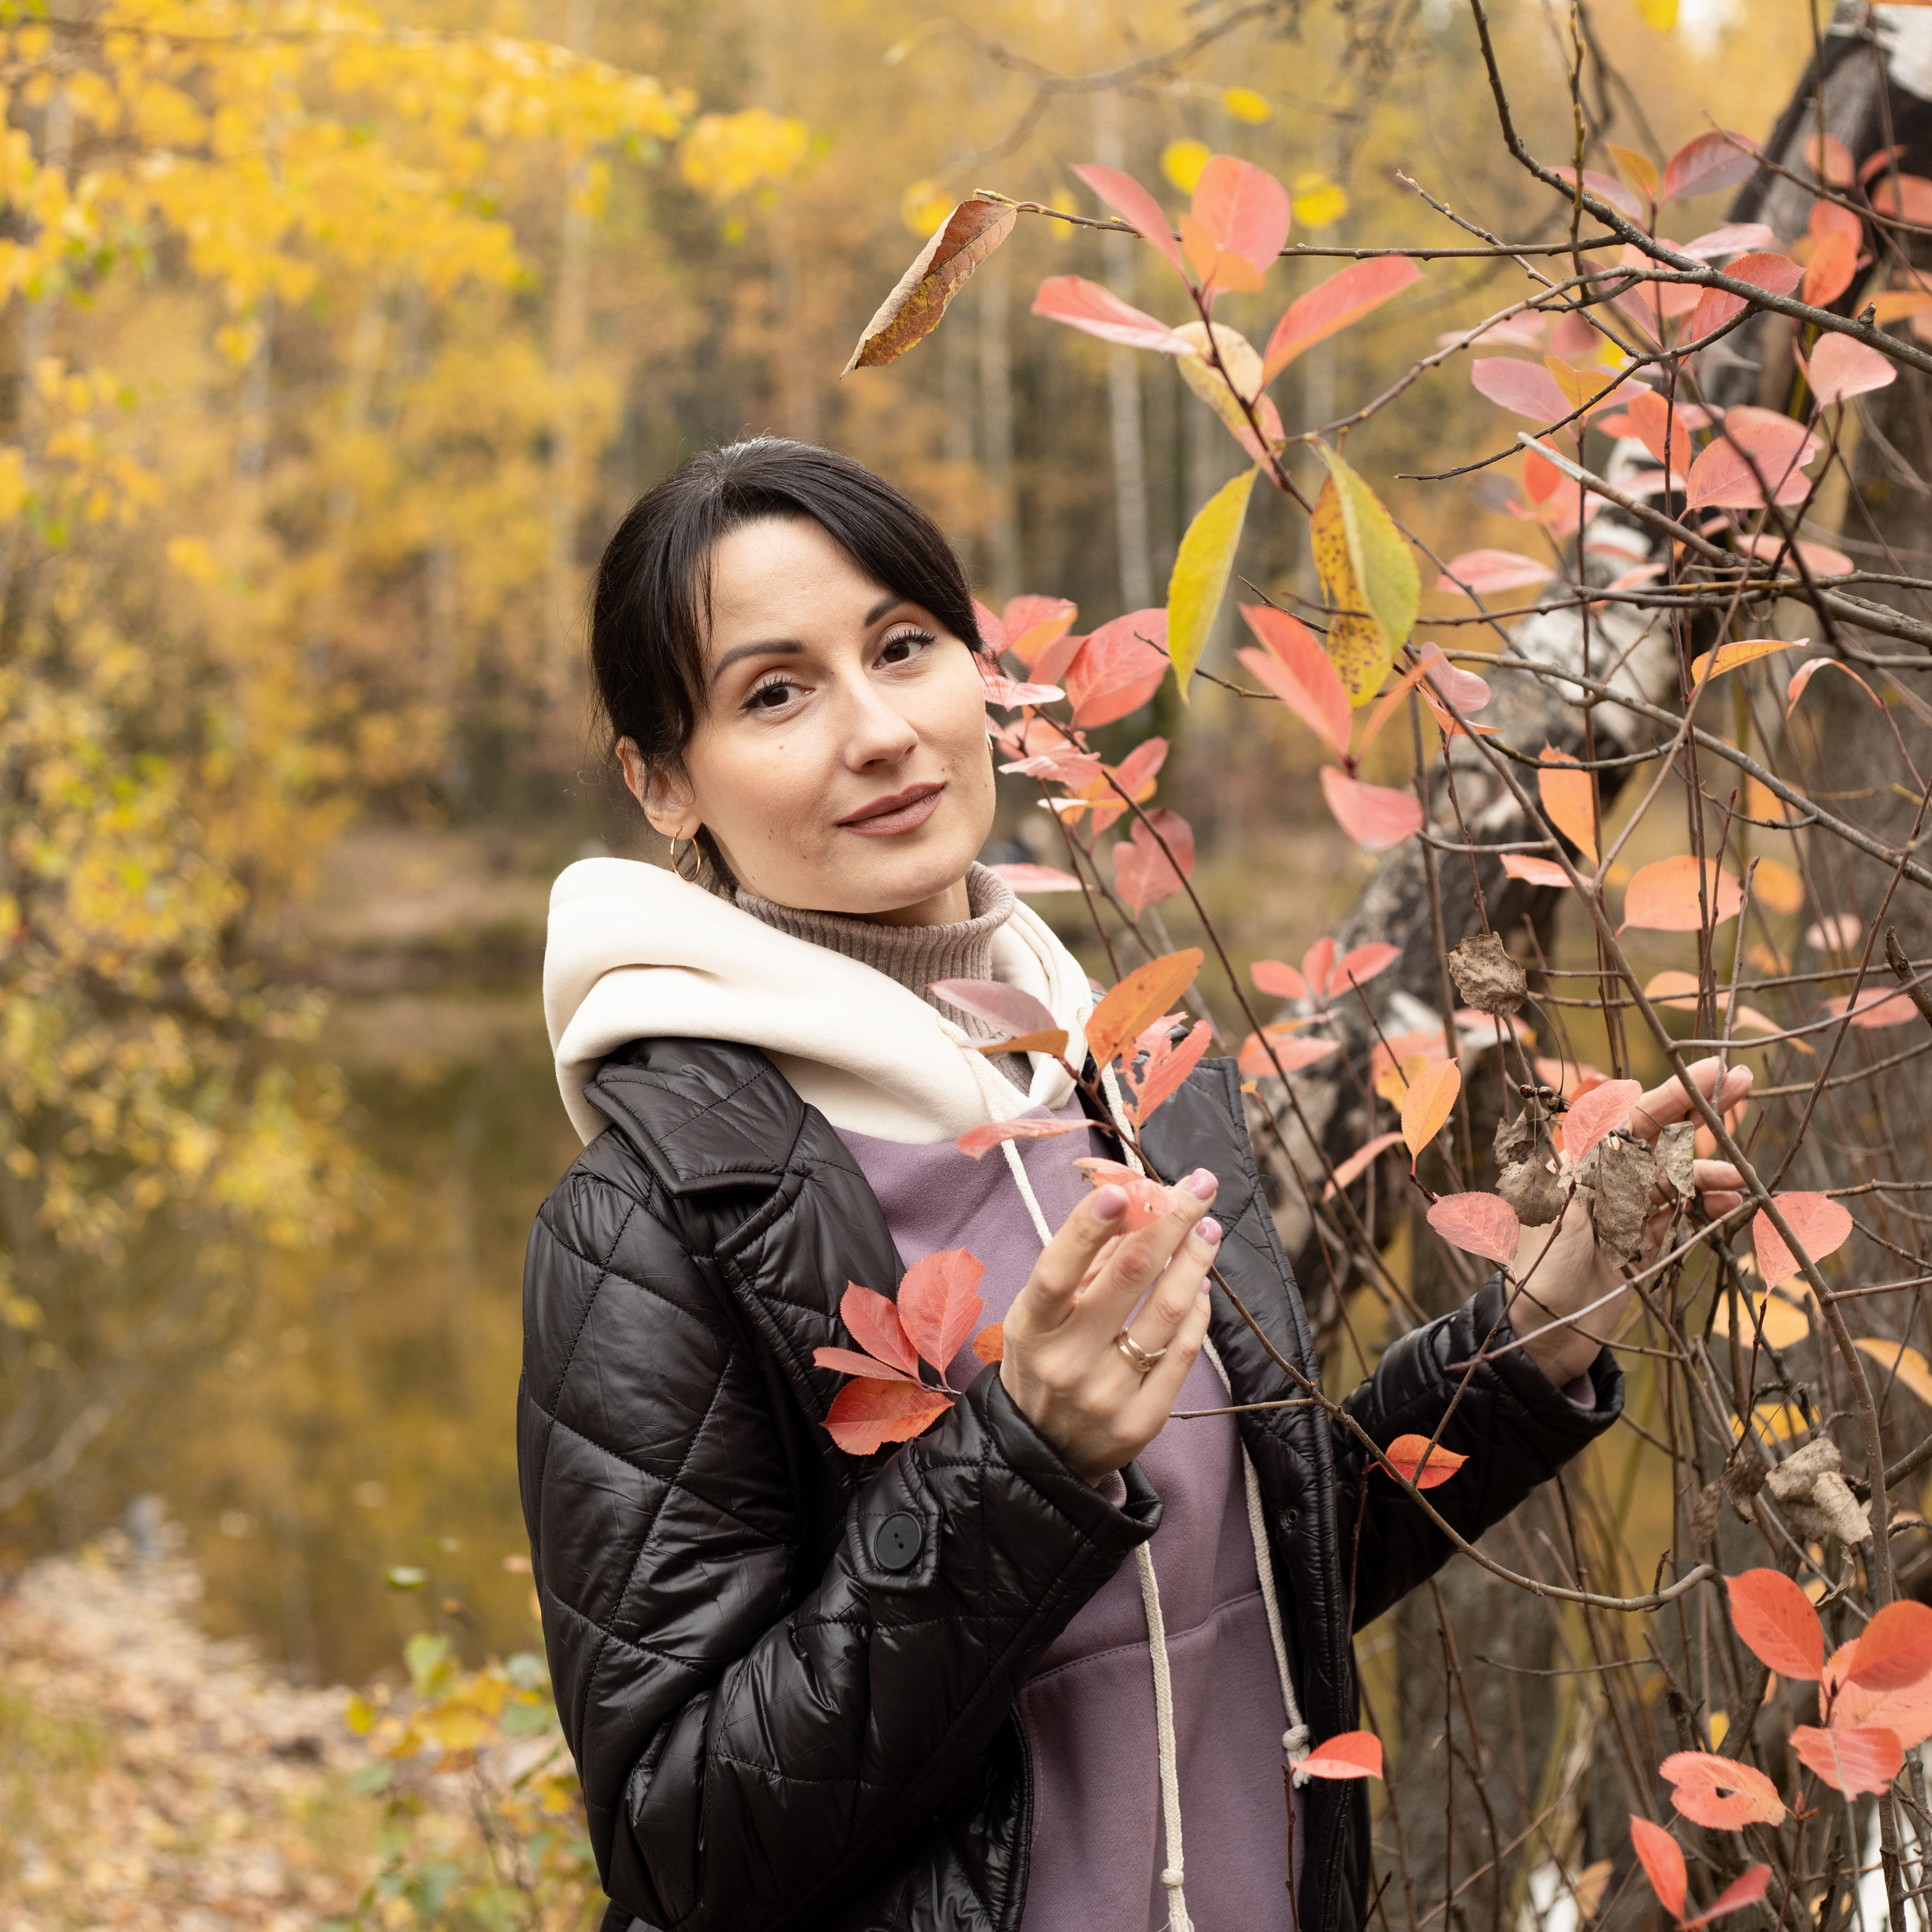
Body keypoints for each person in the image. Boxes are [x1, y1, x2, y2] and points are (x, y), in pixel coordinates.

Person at [521, 438, 1750, 1932]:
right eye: (775, 692)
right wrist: (1024, 1464)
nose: (880, 731)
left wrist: (1523, 1345)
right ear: (662, 782)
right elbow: (683, 1841)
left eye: (903, 648)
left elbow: (1250, 1576)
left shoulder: (1136, 1080)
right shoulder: (652, 1220)